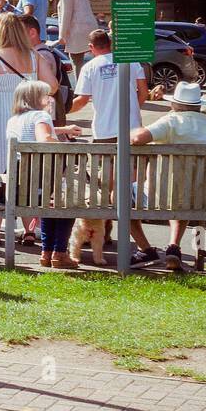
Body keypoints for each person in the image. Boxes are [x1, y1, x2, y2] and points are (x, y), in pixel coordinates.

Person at [0, 12, 60, 239]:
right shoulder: (33, 56)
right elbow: (52, 85)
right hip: (25, 114)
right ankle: (29, 230)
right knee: (24, 172)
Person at [69, 28, 148, 263]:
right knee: (126, 186)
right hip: (131, 131)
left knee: (104, 186)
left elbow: (82, 100)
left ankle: (104, 232)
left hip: (103, 132)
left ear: (91, 48)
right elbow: (142, 92)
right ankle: (119, 233)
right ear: (111, 44)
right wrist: (132, 110)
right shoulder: (131, 60)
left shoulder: (90, 67)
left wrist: (61, 111)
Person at [130, 81, 206, 269]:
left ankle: (146, 249)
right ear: (198, 106)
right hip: (201, 199)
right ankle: (173, 247)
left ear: (174, 105)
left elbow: (137, 139)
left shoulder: (171, 121)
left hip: (158, 197)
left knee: (118, 195)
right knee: (182, 192)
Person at [6, 79, 82, 268]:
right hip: (42, 184)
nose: (49, 99)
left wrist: (62, 130)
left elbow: (34, 132)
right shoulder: (41, 116)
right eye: (45, 95)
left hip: (20, 188)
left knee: (50, 207)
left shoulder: (14, 119)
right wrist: (66, 146)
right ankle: (59, 253)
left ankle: (46, 253)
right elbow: (44, 138)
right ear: (34, 98)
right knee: (66, 205)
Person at [19, 13, 71, 124]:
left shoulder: (42, 56)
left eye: (19, 33)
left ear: (32, 33)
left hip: (46, 115)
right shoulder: (39, 54)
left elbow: (46, 90)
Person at [52, 0, 96, 75]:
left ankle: (79, 89)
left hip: (76, 31)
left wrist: (62, 36)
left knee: (76, 62)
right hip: (91, 28)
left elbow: (66, 14)